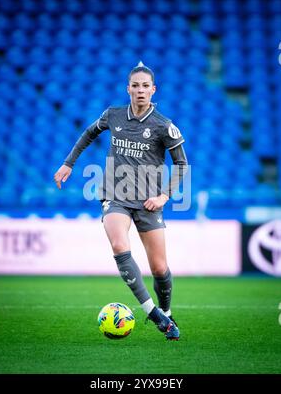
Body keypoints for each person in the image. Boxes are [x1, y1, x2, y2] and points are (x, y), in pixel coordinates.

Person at [54, 62, 188, 340]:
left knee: (159, 268)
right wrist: (69, 164)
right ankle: (154, 313)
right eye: (135, 85)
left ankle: (166, 311)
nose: (140, 90)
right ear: (128, 89)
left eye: (145, 86)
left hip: (149, 202)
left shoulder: (164, 126)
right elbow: (88, 133)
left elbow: (182, 165)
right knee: (118, 244)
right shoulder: (113, 115)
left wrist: (164, 195)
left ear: (153, 90)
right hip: (115, 196)